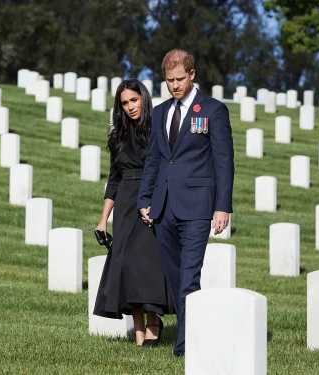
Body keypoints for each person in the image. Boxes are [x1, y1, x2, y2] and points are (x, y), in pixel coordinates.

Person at [137, 49, 234, 357]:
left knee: (189, 277)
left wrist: (223, 206)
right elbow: (153, 159)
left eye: (180, 79)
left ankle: (185, 347)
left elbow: (224, 161)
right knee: (175, 277)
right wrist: (145, 198)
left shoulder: (214, 111)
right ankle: (196, 329)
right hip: (163, 207)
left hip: (197, 207)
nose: (175, 85)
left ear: (193, 75)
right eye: (169, 80)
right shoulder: (162, 112)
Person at [94, 79, 171, 347]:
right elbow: (114, 178)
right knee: (126, 265)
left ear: (144, 99)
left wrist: (154, 201)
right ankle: (139, 333)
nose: (130, 107)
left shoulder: (157, 130)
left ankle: (154, 320)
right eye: (124, 103)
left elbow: (164, 169)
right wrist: (103, 218)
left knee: (145, 264)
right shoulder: (117, 137)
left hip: (149, 199)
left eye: (134, 100)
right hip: (125, 202)